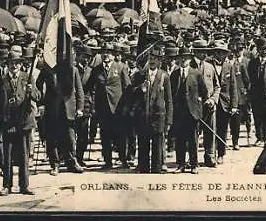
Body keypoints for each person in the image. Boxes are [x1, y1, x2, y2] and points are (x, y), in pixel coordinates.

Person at [0, 49, 41, 196]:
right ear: (7, 64)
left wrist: (31, 91)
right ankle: (6, 186)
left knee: (24, 156)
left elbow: (38, 96)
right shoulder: (1, 80)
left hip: (25, 122)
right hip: (8, 123)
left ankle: (24, 186)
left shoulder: (27, 78)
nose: (14, 66)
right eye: (11, 63)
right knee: (7, 156)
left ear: (20, 64)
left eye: (16, 63)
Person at [36, 49, 85, 176]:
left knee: (70, 138)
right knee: (52, 138)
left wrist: (80, 108)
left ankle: (72, 162)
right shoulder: (47, 70)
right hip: (52, 109)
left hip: (68, 109)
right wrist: (40, 103)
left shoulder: (72, 70)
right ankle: (55, 164)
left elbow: (79, 90)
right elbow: (38, 86)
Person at [85, 42, 131, 170]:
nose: (106, 55)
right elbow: (88, 87)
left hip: (118, 108)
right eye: (104, 52)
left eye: (109, 53)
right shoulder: (96, 70)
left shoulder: (121, 67)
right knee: (105, 136)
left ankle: (123, 160)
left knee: (121, 135)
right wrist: (90, 104)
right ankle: (108, 162)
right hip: (102, 108)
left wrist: (126, 107)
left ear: (114, 55)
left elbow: (127, 88)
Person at [132, 47, 173, 173]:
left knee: (157, 143)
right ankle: (143, 167)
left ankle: (157, 168)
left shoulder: (164, 76)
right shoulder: (140, 75)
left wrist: (169, 120)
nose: (152, 61)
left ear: (159, 61)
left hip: (158, 116)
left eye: (155, 59)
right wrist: (140, 89)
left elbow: (169, 99)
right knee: (143, 142)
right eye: (150, 58)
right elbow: (131, 93)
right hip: (143, 115)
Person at [170, 47, 208, 174]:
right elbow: (170, 93)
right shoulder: (174, 75)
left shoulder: (196, 73)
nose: (183, 60)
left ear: (189, 59)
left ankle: (194, 165)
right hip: (179, 112)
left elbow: (204, 92)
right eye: (181, 58)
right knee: (179, 140)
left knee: (192, 140)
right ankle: (180, 164)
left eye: (185, 58)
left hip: (192, 112)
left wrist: (198, 106)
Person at [191, 39, 220, 168]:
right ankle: (193, 159)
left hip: (209, 105)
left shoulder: (210, 67)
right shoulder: (189, 67)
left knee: (210, 132)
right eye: (201, 51)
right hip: (194, 107)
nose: (204, 54)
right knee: (193, 134)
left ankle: (210, 156)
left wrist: (213, 100)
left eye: (205, 51)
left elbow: (217, 87)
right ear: (195, 52)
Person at [215, 42, 239, 163]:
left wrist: (234, 105)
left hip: (225, 102)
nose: (220, 55)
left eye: (223, 53)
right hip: (212, 101)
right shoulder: (209, 65)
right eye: (218, 52)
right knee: (210, 129)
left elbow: (233, 87)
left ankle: (221, 153)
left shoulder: (229, 66)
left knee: (222, 129)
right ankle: (210, 153)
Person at [232, 42, 252, 147]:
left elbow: (248, 80)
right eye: (235, 50)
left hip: (243, 94)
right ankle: (235, 141)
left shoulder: (245, 63)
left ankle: (249, 133)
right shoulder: (231, 63)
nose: (237, 52)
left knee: (247, 114)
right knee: (236, 118)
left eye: (239, 50)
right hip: (234, 94)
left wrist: (247, 91)